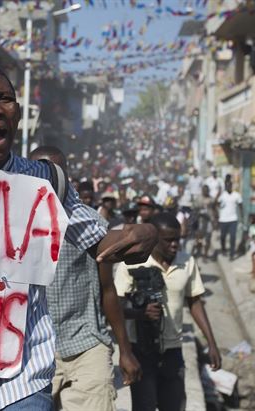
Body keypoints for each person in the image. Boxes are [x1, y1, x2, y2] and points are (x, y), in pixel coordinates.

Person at [0, 62, 156, 411]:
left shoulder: (48, 183)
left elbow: (103, 244)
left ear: (16, 113)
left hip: (20, 382)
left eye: (3, 98)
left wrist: (143, 235)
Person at [30, 146, 141, 411]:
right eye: (39, 171)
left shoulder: (87, 224)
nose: (47, 179)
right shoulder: (11, 224)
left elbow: (107, 290)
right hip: (35, 354)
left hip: (86, 345)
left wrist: (124, 349)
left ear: (66, 177)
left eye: (55, 172)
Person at [114, 213, 221, 411]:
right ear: (154, 240)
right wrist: (140, 314)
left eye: (177, 239)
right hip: (141, 349)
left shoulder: (187, 262)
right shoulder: (133, 263)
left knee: (174, 404)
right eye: (168, 240)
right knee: (144, 406)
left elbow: (195, 302)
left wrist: (212, 344)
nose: (174, 245)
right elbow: (115, 307)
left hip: (173, 349)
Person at [216, 180, 243, 261]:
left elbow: (240, 206)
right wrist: (219, 206)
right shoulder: (222, 195)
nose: (228, 187)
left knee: (233, 237)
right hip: (223, 220)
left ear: (231, 186)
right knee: (223, 236)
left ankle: (232, 254)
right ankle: (223, 249)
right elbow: (216, 204)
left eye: (229, 185)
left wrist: (242, 217)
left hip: (233, 219)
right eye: (226, 186)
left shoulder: (236, 195)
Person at [192, 185, 215, 261]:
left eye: (206, 190)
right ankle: (197, 252)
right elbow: (194, 208)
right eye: (204, 190)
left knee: (208, 238)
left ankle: (205, 254)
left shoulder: (211, 199)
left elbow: (215, 209)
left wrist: (215, 220)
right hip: (200, 220)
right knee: (199, 238)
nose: (205, 191)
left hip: (209, 221)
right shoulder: (198, 199)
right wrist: (199, 212)